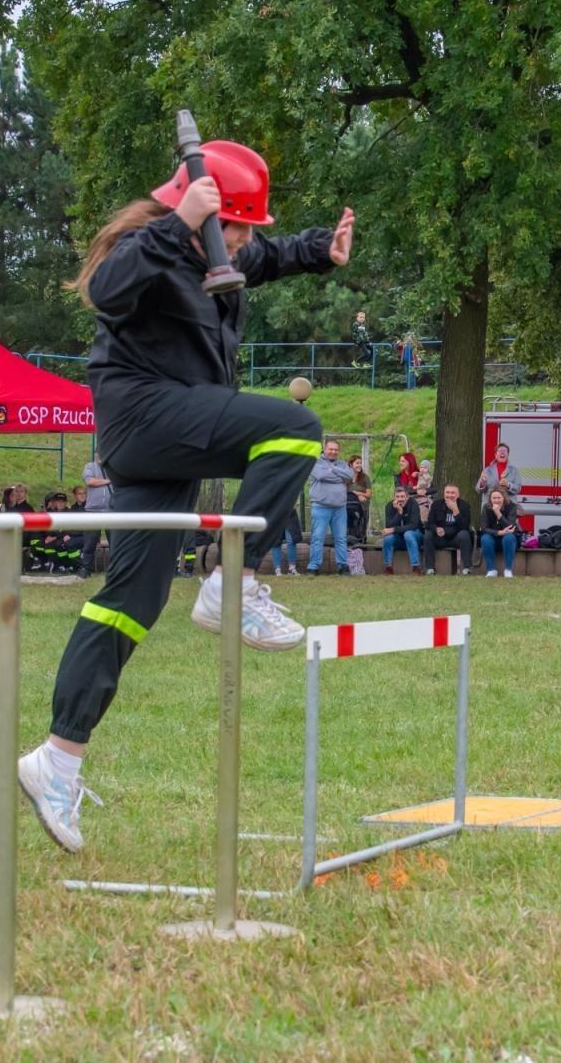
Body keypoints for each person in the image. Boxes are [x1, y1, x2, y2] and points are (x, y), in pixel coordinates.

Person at [18, 138, 353, 854]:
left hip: (171, 433)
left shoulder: (221, 251)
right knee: (296, 430)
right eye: (236, 226)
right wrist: (176, 226)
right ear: (203, 212)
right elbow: (108, 292)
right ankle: (233, 581)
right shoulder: (154, 244)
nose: (243, 242)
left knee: (129, 600)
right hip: (144, 418)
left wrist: (323, 248)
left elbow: (273, 255)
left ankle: (57, 759)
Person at [307, 439, 355, 574]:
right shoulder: (316, 463)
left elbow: (350, 475)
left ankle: (343, 566)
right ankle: (313, 566)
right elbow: (321, 475)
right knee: (317, 537)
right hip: (320, 506)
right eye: (331, 449)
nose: (333, 452)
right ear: (324, 449)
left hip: (340, 508)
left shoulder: (343, 464)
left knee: (341, 538)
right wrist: (340, 476)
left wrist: (333, 469)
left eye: (336, 450)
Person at [424, 483, 473, 575]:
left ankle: (467, 568)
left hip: (455, 538)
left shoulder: (464, 506)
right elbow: (430, 523)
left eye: (453, 493)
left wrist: (456, 511)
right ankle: (430, 568)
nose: (450, 495)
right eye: (447, 492)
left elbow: (465, 526)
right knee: (428, 535)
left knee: (464, 534)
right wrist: (436, 529)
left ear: (458, 494)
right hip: (440, 538)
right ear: (444, 494)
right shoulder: (436, 505)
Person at [79, 451, 112, 574]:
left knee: (115, 543)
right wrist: (108, 480)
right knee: (89, 543)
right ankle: (86, 569)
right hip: (93, 510)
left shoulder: (114, 466)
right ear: (96, 454)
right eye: (99, 452)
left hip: (111, 510)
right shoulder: (89, 466)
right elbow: (90, 481)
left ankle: (115, 571)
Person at [478, 487, 520, 577]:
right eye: (494, 498)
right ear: (490, 499)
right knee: (485, 538)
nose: (496, 500)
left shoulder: (511, 506)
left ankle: (508, 570)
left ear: (503, 498)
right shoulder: (486, 507)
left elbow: (510, 526)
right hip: (493, 537)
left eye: (499, 498)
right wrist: (499, 532)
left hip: (508, 538)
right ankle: (491, 570)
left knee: (509, 537)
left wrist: (498, 513)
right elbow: (484, 528)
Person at [381, 483, 423, 574]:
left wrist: (394, 529)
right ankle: (388, 567)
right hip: (399, 538)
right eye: (397, 497)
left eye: (402, 496)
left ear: (407, 497)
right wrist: (399, 513)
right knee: (388, 538)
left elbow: (413, 525)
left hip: (414, 536)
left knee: (408, 534)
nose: (400, 499)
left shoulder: (413, 504)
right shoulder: (389, 506)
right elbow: (389, 525)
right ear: (394, 497)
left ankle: (415, 567)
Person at [269, 505, 303, 575]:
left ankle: (292, 569)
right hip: (275, 512)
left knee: (291, 540)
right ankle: (277, 570)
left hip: (289, 512)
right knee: (276, 542)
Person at [346, 454, 372, 544]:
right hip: (348, 508)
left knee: (361, 529)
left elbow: (368, 494)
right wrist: (355, 495)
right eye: (357, 463)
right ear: (350, 464)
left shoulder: (365, 478)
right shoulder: (346, 478)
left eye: (360, 463)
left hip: (362, 507)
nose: (359, 465)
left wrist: (357, 494)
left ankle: (362, 543)